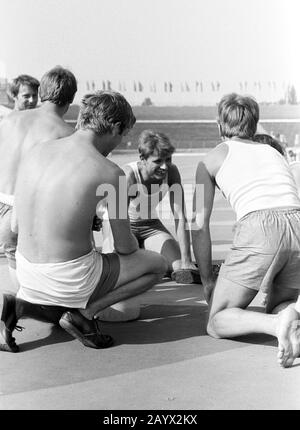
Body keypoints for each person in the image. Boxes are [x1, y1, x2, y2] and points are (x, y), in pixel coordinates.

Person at [0, 91, 168, 352]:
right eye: (122, 136)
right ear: (114, 127)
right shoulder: (111, 172)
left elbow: (16, 227)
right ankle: (85, 315)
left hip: (26, 272)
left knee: (60, 280)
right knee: (157, 265)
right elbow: (125, 247)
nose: (120, 143)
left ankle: (20, 306)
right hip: (69, 279)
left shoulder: (35, 151)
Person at [191, 93, 300, 368]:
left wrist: (207, 282)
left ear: (219, 125)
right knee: (282, 303)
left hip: (260, 227)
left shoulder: (212, 158)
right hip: (297, 224)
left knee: (217, 321)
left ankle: (277, 325)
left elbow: (200, 225)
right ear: (255, 124)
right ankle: (289, 323)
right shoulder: (275, 152)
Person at [0, 66, 77, 287]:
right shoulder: (65, 134)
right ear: (71, 98)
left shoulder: (9, 120)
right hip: (23, 208)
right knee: (26, 259)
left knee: (11, 255)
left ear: (41, 92)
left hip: (1, 197)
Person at [102, 130, 198, 284]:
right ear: (143, 159)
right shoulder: (129, 176)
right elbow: (117, 218)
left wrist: (187, 260)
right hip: (121, 225)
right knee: (118, 271)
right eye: (158, 161)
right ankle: (139, 255)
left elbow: (180, 216)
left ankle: (143, 253)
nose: (165, 166)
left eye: (168, 159)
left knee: (178, 267)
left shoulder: (172, 172)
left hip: (150, 225)